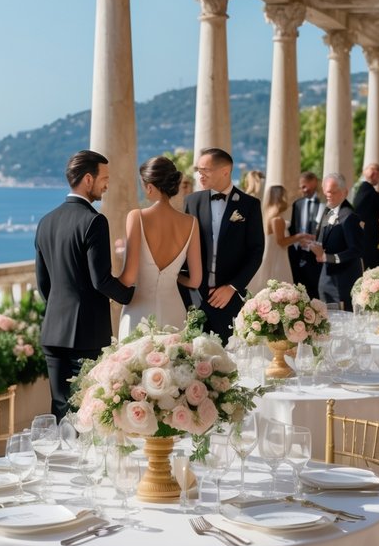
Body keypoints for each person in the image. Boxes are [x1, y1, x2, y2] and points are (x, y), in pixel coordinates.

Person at [35, 150, 134, 421]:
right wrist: (129, 295)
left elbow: (44, 284)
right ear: (88, 179)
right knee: (89, 410)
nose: (107, 185)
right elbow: (100, 280)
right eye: (104, 178)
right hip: (87, 334)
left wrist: (60, 309)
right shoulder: (94, 221)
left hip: (54, 332)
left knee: (60, 409)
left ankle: (60, 461)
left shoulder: (46, 222)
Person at [183, 147, 264, 342]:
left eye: (205, 170)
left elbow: (256, 251)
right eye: (198, 170)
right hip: (194, 298)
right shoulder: (191, 201)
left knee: (230, 359)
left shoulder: (249, 205)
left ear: (225, 171)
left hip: (230, 298)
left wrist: (233, 287)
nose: (199, 175)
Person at [118, 156, 202, 336]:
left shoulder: (136, 217)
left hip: (139, 313)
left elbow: (128, 277)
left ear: (149, 186)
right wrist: (173, 276)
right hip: (175, 313)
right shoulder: (191, 223)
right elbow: (195, 281)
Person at [308, 172, 364, 311]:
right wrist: (313, 245)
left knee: (343, 324)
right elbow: (322, 238)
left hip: (344, 280)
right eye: (326, 192)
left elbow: (356, 250)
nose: (329, 196)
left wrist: (328, 257)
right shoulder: (328, 210)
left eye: (333, 192)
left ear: (344, 192)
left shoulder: (350, 216)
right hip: (326, 278)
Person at [249, 185, 303, 292]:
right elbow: (281, 242)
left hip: (273, 257)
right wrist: (300, 236)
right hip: (277, 260)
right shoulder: (277, 219)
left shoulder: (268, 216)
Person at [288, 171, 324, 298]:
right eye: (300, 187)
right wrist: (298, 242)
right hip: (299, 256)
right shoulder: (297, 204)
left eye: (304, 186)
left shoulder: (324, 204)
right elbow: (293, 229)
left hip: (316, 256)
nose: (302, 190)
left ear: (313, 183)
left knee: (315, 292)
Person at [352, 162, 379, 268]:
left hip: (358, 236)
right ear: (374, 175)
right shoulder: (376, 196)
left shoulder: (357, 194)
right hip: (372, 238)